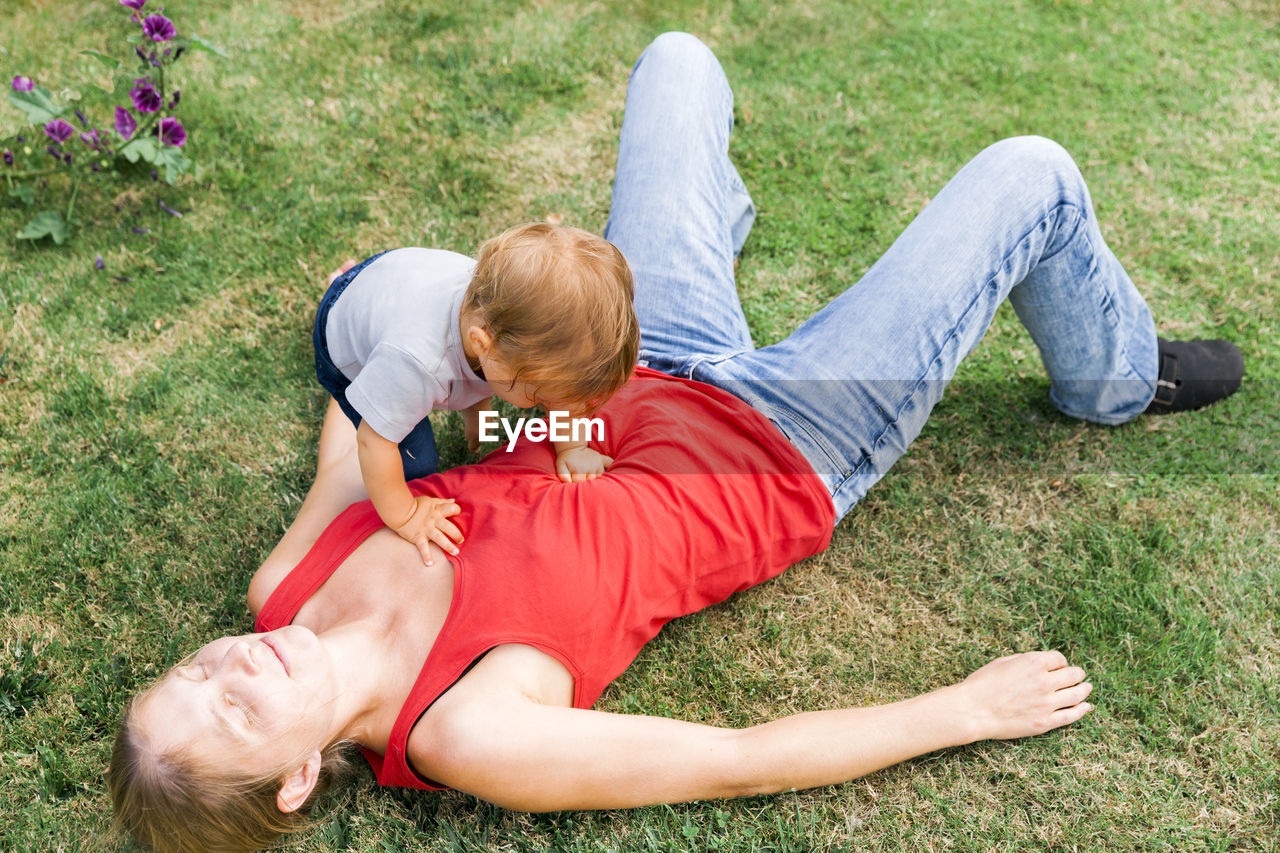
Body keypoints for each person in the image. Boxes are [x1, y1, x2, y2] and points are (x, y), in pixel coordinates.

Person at [108, 32, 1242, 853]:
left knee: (677, 60)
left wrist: (383, 326)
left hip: (623, 362)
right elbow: (732, 758)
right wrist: (958, 713)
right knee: (1029, 174)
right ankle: (1113, 381)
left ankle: (715, 244)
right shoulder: (468, 732)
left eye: (195, 671)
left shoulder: (282, 589)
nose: (235, 667)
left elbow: (354, 429)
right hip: (782, 441)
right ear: (298, 776)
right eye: (237, 713)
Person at [315, 223, 640, 565]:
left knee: (506, 374)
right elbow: (374, 442)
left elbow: (562, 391)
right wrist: (407, 515)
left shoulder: (500, 310)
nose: (558, 407)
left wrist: (572, 446)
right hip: (344, 339)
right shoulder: (415, 362)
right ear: (481, 346)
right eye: (542, 398)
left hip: (393, 277)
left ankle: (349, 280)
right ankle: (339, 292)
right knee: (417, 460)